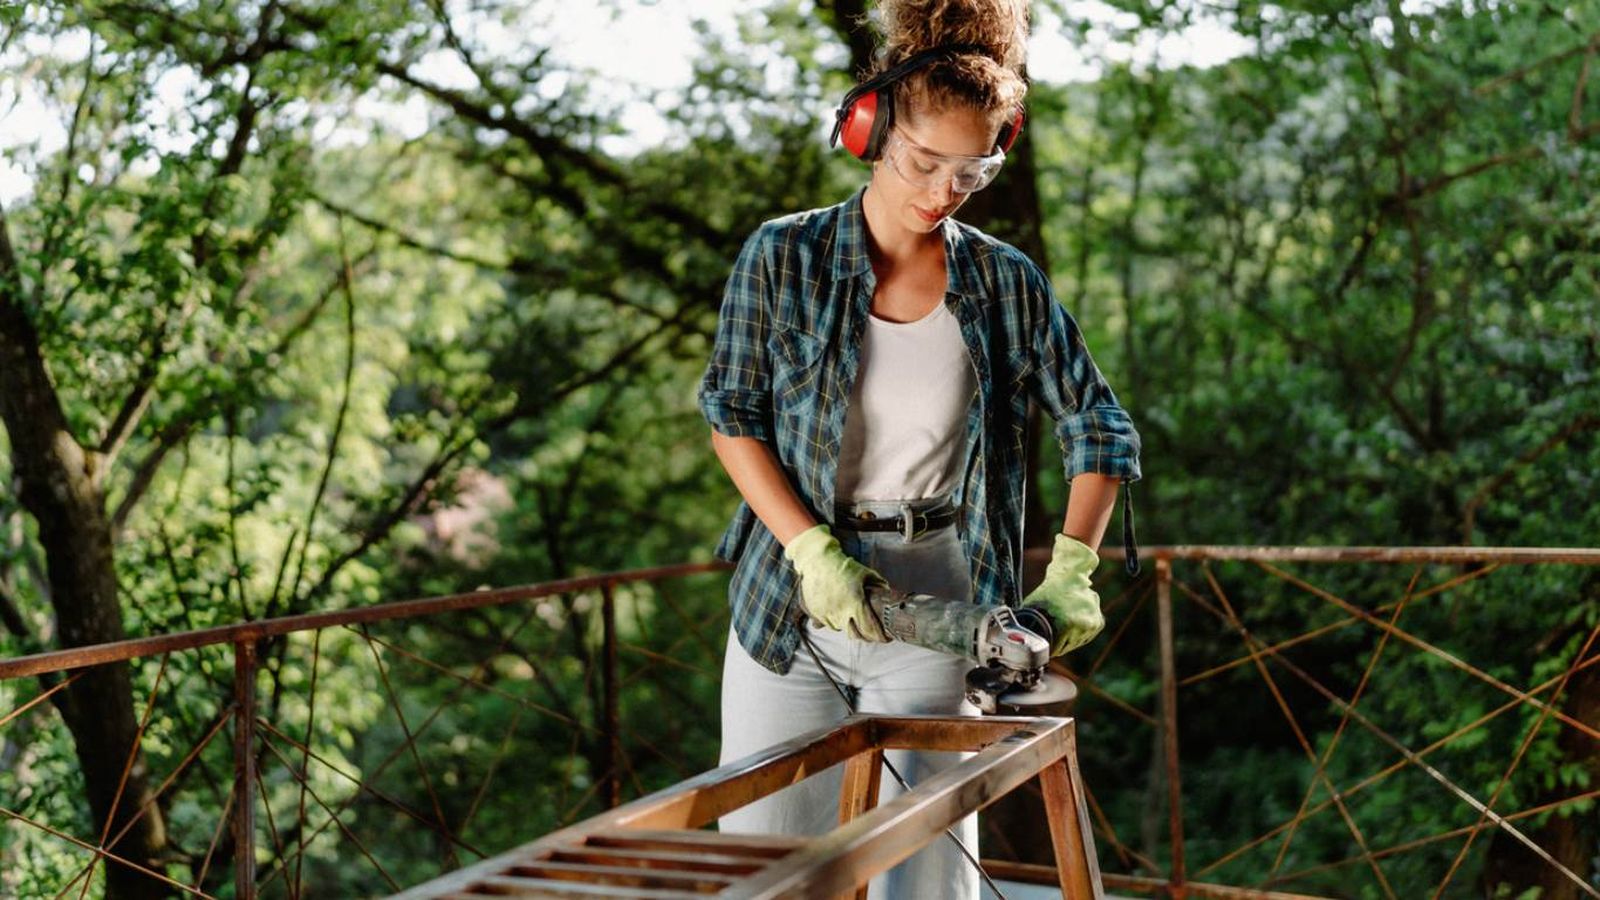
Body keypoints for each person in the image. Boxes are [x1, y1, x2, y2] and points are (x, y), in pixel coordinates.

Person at [696, 0, 1141, 895]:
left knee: (930, 876)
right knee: (768, 868)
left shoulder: (1005, 282)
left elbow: (1099, 423)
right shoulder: (783, 257)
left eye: (971, 171)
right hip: (791, 602)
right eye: (922, 161)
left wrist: (1073, 570)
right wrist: (810, 547)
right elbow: (731, 414)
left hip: (939, 597)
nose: (942, 191)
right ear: (871, 129)